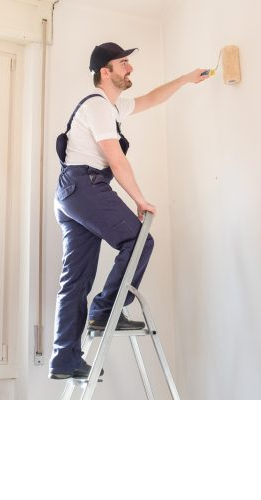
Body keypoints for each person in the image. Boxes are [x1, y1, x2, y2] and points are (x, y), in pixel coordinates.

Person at [49, 42, 208, 380]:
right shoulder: (98, 107)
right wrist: (140, 199)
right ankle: (105, 311)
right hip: (84, 185)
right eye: (123, 63)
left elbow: (151, 99)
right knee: (140, 242)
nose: (130, 68)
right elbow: (116, 160)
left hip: (72, 191)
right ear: (104, 72)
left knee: (75, 279)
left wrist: (185, 79)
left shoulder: (113, 107)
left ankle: (65, 360)